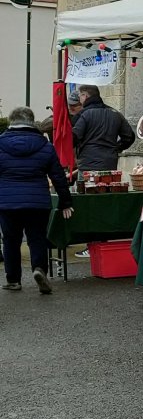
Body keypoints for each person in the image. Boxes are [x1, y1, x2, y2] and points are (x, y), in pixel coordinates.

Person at [0, 107, 73, 294]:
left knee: (10, 240)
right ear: (32, 122)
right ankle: (39, 269)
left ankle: (13, 280)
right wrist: (65, 202)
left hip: (7, 202)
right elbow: (58, 177)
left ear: (11, 122)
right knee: (37, 238)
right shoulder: (45, 146)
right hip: (38, 201)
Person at [71, 84, 136, 257]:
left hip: (88, 166)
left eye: (80, 96)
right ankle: (103, 243)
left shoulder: (84, 115)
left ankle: (91, 245)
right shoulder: (115, 113)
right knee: (104, 203)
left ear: (85, 96)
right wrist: (116, 148)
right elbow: (130, 136)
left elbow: (74, 137)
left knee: (88, 205)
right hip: (110, 164)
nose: (79, 99)